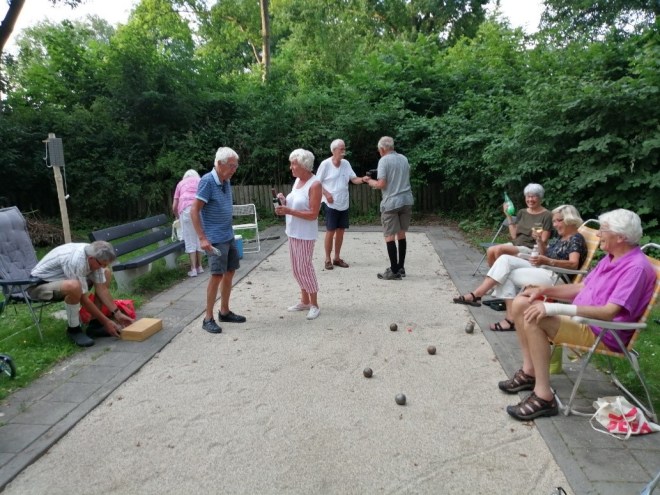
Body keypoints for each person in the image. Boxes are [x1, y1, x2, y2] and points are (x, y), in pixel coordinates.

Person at [500, 209, 655, 421]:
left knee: (537, 318)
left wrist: (554, 308)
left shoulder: (635, 268)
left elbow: (609, 312)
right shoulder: (611, 257)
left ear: (620, 237)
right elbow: (582, 288)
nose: (599, 234)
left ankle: (544, 397)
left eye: (603, 230)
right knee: (520, 303)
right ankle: (530, 372)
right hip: (583, 319)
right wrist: (543, 290)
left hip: (603, 331)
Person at [453, 205, 588, 331]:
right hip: (545, 269)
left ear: (570, 219)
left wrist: (548, 261)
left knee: (507, 274)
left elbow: (573, 264)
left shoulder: (575, 239)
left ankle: (506, 316)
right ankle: (479, 295)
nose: (555, 225)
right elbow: (545, 254)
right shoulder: (562, 237)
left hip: (557, 277)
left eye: (559, 221)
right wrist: (539, 241)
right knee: (505, 259)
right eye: (554, 221)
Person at [27, 241, 135, 347]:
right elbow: (83, 299)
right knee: (74, 286)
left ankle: (95, 325)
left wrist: (117, 313)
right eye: (101, 264)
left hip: (61, 281)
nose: (102, 267)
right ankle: (74, 330)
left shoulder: (93, 254)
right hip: (38, 286)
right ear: (91, 258)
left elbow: (101, 289)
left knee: (106, 273)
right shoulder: (76, 261)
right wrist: (106, 321)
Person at [191, 147, 246, 334]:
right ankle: (208, 318)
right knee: (216, 276)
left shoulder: (226, 180)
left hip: (228, 235)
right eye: (231, 166)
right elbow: (194, 210)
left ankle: (224, 311)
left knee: (230, 272)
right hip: (215, 238)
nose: (234, 170)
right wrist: (202, 238)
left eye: (236, 166)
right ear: (220, 164)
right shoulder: (207, 181)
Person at [274, 149, 322, 320]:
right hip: (292, 231)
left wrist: (289, 211)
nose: (291, 167)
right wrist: (283, 202)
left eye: (293, 164)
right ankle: (304, 300)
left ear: (304, 165)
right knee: (296, 269)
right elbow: (295, 204)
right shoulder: (297, 181)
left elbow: (313, 214)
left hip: (305, 234)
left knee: (305, 268)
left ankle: (314, 304)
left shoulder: (315, 184)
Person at [362, 136, 414, 280]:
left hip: (391, 202)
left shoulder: (384, 161)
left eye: (379, 150)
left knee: (389, 235)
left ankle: (393, 271)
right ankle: (401, 267)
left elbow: (381, 184)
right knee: (401, 234)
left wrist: (369, 181)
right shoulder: (404, 159)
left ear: (382, 149)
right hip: (406, 200)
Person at [316, 139, 365, 270]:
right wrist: (326, 194)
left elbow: (353, 179)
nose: (344, 151)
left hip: (344, 202)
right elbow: (317, 183)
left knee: (341, 231)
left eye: (344, 149)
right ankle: (327, 259)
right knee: (330, 230)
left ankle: (337, 258)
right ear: (334, 150)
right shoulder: (325, 164)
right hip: (330, 203)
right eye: (341, 149)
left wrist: (363, 179)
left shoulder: (346, 164)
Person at [486, 183, 553, 266]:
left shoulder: (547, 215)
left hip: (531, 248)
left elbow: (544, 240)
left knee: (499, 250)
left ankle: (500, 273)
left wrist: (537, 236)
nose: (530, 199)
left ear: (540, 198)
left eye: (533, 196)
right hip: (516, 245)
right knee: (490, 250)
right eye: (528, 196)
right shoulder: (522, 212)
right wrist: (508, 216)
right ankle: (495, 273)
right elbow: (514, 236)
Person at [172, 169, 203, 277]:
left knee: (190, 239)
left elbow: (174, 206)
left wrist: (177, 216)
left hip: (186, 211)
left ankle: (193, 269)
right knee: (199, 237)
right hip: (199, 209)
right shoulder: (200, 181)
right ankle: (200, 267)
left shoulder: (180, 184)